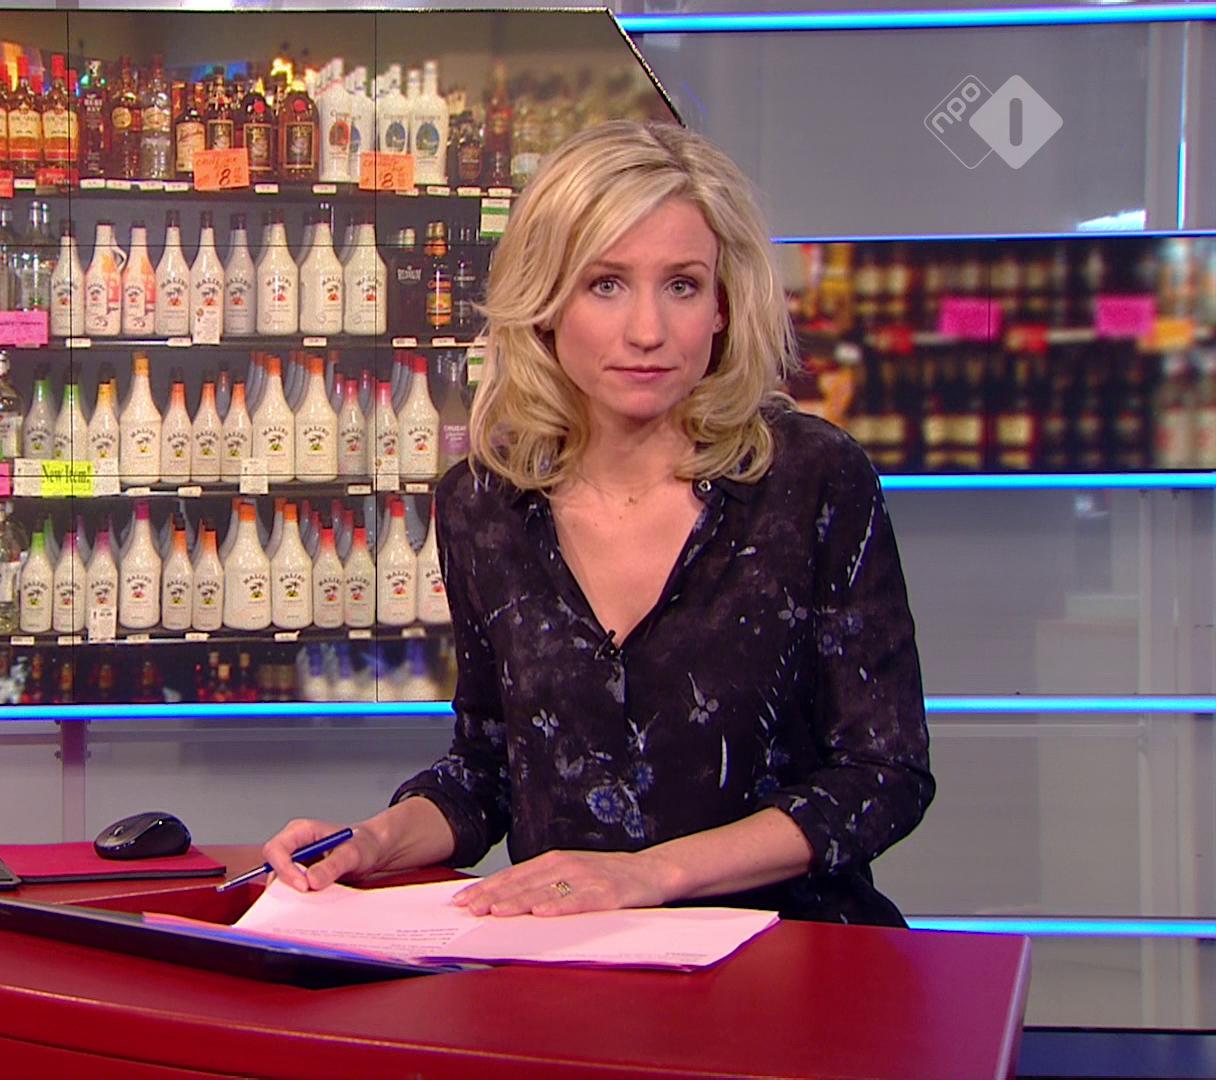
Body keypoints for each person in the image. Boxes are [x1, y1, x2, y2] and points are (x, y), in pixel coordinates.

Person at [261, 120, 933, 927]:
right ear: (545, 304)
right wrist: (371, 841)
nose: (647, 331)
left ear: (724, 306)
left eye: (682, 285)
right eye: (606, 284)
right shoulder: (483, 504)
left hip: (791, 951)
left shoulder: (812, 479)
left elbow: (882, 775)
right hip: (572, 959)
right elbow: (489, 769)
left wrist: (650, 875)